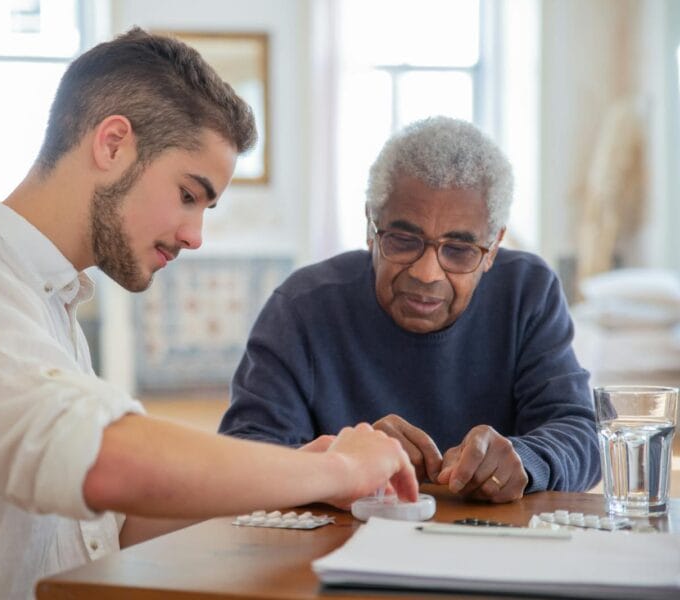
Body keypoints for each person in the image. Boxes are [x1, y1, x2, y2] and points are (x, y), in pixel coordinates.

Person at [0, 28, 417, 600]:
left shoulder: (45, 298)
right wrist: (339, 471)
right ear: (113, 144)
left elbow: (107, 528)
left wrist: (287, 476)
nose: (195, 236)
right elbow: (106, 461)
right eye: (189, 195)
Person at [220, 116, 600, 503]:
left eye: (460, 250)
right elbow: (244, 458)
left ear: (494, 247)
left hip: (495, 547)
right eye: (403, 240)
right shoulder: (303, 307)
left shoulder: (528, 293)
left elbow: (580, 434)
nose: (426, 272)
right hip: (334, 549)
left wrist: (527, 457)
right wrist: (344, 461)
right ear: (371, 227)